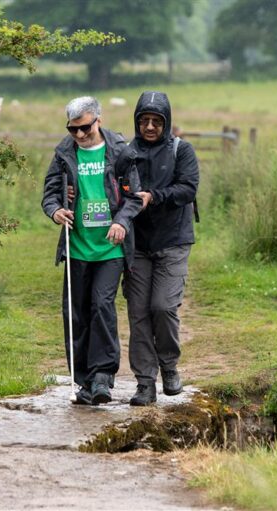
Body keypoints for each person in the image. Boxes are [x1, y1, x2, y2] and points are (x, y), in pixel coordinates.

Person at [42, 96, 142, 405]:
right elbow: (49, 195)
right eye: (73, 129)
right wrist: (56, 211)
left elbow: (134, 197)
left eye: (85, 128)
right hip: (77, 247)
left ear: (98, 120)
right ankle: (83, 380)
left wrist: (122, 221)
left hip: (110, 248)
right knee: (77, 314)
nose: (80, 135)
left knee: (101, 305)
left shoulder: (120, 152)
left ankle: (103, 376)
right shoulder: (63, 154)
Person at [125, 91, 199, 406]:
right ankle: (145, 383)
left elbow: (187, 188)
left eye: (157, 121)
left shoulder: (182, 150)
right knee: (138, 313)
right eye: (145, 121)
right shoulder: (125, 152)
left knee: (163, 307)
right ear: (137, 122)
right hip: (137, 243)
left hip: (174, 240)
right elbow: (117, 185)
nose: (150, 127)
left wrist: (153, 197)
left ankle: (169, 366)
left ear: (166, 123)